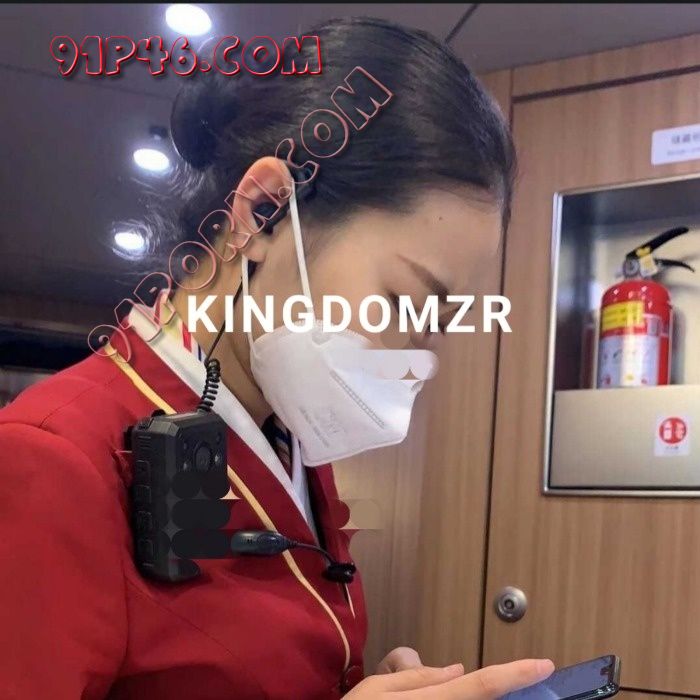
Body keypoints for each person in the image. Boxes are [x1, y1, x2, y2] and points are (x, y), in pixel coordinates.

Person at [0, 16, 554, 700]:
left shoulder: (288, 437)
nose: (414, 356)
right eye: (405, 300)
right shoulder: (53, 457)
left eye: (436, 324)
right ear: (263, 212)